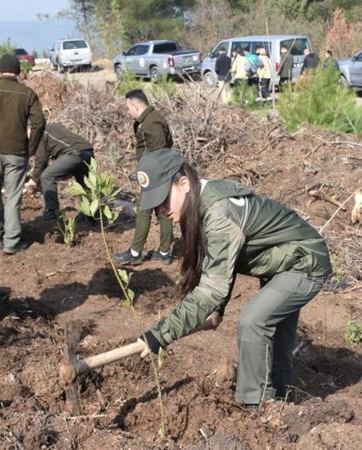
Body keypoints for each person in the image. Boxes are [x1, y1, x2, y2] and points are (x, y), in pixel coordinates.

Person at [133, 149, 332, 406]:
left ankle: (254, 407)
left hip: (303, 260)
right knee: (276, 340)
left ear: (183, 183)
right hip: (281, 262)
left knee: (253, 322)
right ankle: (281, 403)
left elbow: (211, 288)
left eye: (163, 199)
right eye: (154, 204)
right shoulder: (202, 204)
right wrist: (218, 308)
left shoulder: (218, 213)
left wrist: (160, 335)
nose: (160, 210)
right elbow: (223, 260)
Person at [0, 53, 45, 254]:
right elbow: (39, 122)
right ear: (18, 71)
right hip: (17, 152)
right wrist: (31, 148)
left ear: (0, 69)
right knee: (13, 197)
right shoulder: (27, 93)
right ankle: (12, 241)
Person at [113, 90, 174, 266]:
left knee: (144, 211)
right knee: (163, 210)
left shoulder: (151, 123)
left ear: (136, 106)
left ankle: (135, 253)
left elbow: (159, 151)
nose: (128, 112)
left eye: (128, 108)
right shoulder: (149, 119)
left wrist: (151, 178)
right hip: (157, 173)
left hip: (156, 174)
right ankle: (164, 253)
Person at [26, 122, 94, 221]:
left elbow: (41, 161)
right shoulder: (52, 127)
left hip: (74, 153)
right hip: (87, 151)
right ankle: (90, 214)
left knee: (47, 176)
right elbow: (61, 146)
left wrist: (34, 180)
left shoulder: (38, 133)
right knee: (84, 184)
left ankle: (52, 212)